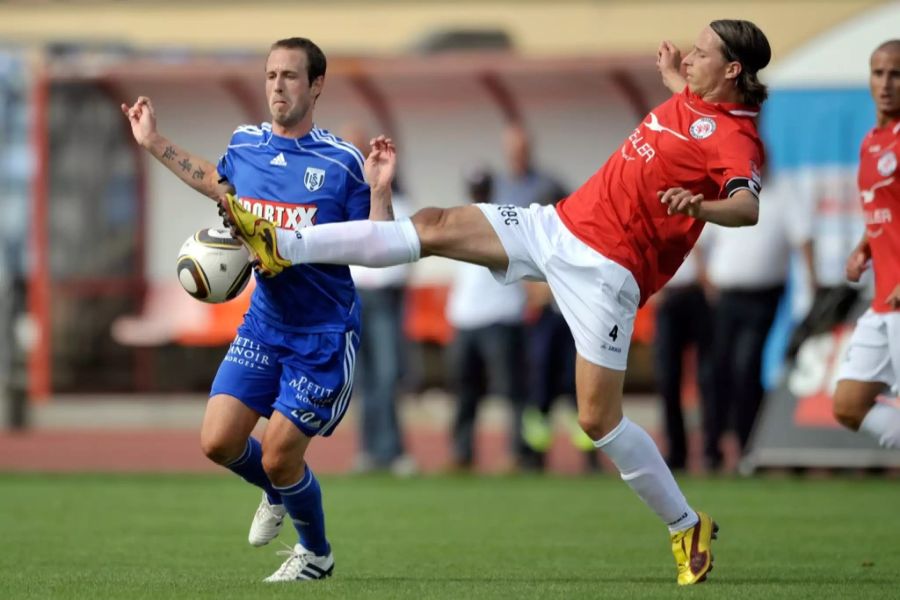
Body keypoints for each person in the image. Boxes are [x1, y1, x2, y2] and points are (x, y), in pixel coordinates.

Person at [223, 20, 771, 586]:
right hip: (558, 225)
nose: (689, 59)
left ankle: (685, 524)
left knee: (598, 418)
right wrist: (670, 78)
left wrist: (699, 208)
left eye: (702, 54)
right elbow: (685, 124)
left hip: (607, 273)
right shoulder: (691, 97)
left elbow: (746, 206)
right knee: (432, 224)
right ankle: (284, 242)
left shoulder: (737, 137)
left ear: (732, 70)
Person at [121, 37, 394, 582]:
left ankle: (315, 554)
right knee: (218, 441)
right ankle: (275, 492)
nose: (277, 86)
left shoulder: (339, 162)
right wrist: (153, 142)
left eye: (290, 76)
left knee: (277, 454)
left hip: (322, 334)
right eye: (271, 75)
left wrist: (380, 190)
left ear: (315, 85)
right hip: (265, 323)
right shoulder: (244, 145)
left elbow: (379, 246)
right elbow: (214, 183)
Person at [832, 39, 900, 447]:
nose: (886, 83)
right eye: (879, 73)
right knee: (848, 404)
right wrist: (865, 248)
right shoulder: (872, 140)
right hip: (883, 302)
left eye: (896, 74)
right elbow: (886, 212)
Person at [341, 123, 417, 477]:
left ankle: (393, 449)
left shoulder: (396, 198)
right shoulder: (344, 199)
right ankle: (371, 450)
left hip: (385, 298)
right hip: (354, 298)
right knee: (362, 379)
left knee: (386, 376)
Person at [444, 166, 528, 471]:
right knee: (465, 391)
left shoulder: (507, 217)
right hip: (466, 317)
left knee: (512, 391)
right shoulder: (457, 217)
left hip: (502, 314)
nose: (478, 194)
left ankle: (519, 452)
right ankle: (462, 452)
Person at [651, 244, 716, 471]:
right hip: (669, 295)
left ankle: (712, 450)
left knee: (708, 378)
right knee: (668, 377)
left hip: (699, 293)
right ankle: (677, 452)